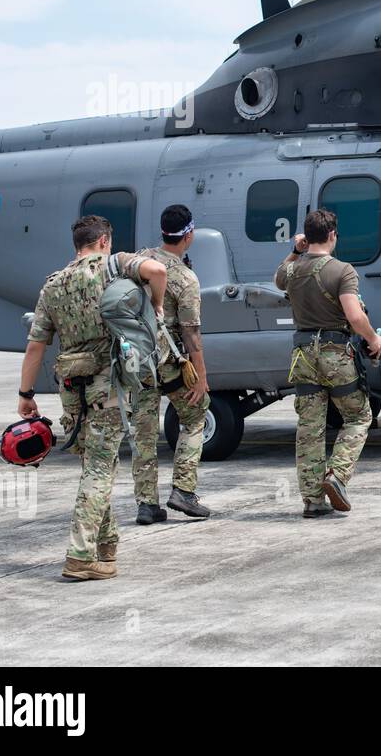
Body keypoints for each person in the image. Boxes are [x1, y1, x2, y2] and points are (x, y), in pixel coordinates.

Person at [17, 215, 167, 581]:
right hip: (109, 385)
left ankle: (107, 549)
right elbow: (158, 270)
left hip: (73, 391)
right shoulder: (116, 266)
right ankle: (80, 556)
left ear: (77, 244)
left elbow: (35, 346)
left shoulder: (53, 285)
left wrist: (26, 395)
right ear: (104, 241)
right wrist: (158, 308)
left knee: (95, 466)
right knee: (100, 468)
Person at [275, 209, 381, 517]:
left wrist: (295, 251)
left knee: (310, 428)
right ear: (333, 235)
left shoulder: (293, 269)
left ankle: (312, 501)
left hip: (302, 356)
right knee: (358, 417)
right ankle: (337, 476)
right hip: (335, 353)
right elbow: (354, 316)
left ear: (306, 237)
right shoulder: (342, 270)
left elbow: (278, 279)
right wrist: (374, 340)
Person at [129, 205, 212, 525]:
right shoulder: (185, 278)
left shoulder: (141, 260)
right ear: (188, 235)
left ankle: (146, 504)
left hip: (137, 359)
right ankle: (184, 491)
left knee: (144, 432)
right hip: (169, 362)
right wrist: (201, 377)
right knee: (195, 414)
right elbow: (191, 333)